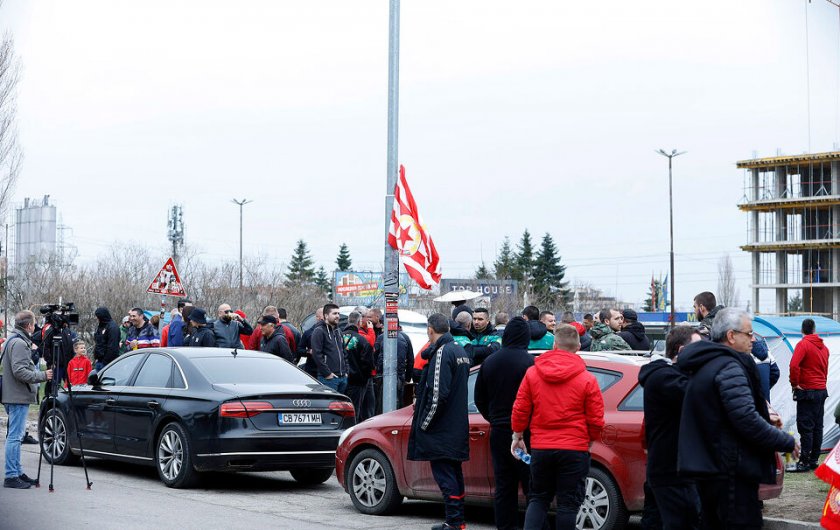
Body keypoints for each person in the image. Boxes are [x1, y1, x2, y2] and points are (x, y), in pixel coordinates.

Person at [678, 307, 798, 529]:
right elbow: (745, 419)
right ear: (731, 336)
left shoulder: (707, 362)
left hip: (710, 470)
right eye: (749, 333)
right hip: (730, 473)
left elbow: (724, 413)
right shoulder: (729, 365)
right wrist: (786, 441)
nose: (753, 338)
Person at [511, 324, 605, 530]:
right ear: (578, 346)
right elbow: (596, 419)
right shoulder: (587, 379)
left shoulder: (532, 374)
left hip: (542, 448)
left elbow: (520, 408)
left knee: (538, 498)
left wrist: (517, 435)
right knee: (568, 505)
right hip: (575, 448)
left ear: (554, 345)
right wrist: (588, 441)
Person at [407, 313, 471, 530]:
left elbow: (438, 395)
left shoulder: (443, 353)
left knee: (445, 476)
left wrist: (424, 423)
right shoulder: (458, 350)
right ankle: (457, 521)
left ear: (430, 330)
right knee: (454, 473)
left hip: (442, 429)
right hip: (455, 426)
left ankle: (454, 522)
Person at [638, 326, 702, 530]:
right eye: (699, 348)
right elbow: (697, 396)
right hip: (669, 470)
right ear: (683, 351)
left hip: (677, 468)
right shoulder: (664, 377)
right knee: (683, 522)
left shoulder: (674, 375)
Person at [474, 317, 534, 530]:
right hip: (525, 434)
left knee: (504, 485)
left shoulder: (489, 361)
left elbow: (478, 397)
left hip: (499, 432)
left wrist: (494, 418)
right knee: (531, 486)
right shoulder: (530, 363)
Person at [1, 310, 54, 489]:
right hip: (17, 395)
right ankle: (11, 475)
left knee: (15, 436)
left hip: (15, 394)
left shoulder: (14, 339)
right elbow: (19, 371)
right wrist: (42, 375)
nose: (34, 327)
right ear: (29, 325)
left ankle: (16, 472)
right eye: (33, 324)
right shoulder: (19, 343)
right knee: (15, 437)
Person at [789, 317, 830, 472]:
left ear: (802, 330)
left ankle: (804, 462)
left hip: (807, 391)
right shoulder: (824, 348)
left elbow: (794, 365)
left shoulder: (803, 344)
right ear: (814, 330)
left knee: (805, 426)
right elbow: (825, 369)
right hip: (821, 390)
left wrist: (795, 383)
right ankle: (813, 459)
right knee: (817, 426)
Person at [373, 320, 415, 411]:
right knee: (398, 401)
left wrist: (377, 372)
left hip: (383, 375)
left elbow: (374, 357)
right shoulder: (405, 337)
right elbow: (411, 360)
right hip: (400, 376)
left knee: (381, 402)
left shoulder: (381, 337)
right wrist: (407, 378)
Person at [343, 311, 375, 421]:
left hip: (342, 378)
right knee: (355, 410)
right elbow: (368, 363)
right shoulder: (363, 340)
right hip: (358, 381)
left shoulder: (338, 337)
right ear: (359, 322)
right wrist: (365, 379)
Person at [311, 303, 348, 393]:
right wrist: (327, 373)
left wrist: (346, 371)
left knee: (340, 406)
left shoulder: (338, 331)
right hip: (328, 378)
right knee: (330, 405)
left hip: (342, 377)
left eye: (338, 313)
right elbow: (316, 354)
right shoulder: (319, 331)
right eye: (334, 313)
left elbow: (344, 352)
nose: (338, 316)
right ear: (326, 316)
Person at [750, 335, 780, 403]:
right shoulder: (767, 352)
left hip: (747, 404)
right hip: (764, 403)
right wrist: (764, 387)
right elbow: (775, 373)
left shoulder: (740, 353)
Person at [93, 306, 120, 371]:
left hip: (107, 363)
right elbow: (98, 342)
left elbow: (112, 347)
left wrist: (105, 361)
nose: (97, 319)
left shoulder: (112, 327)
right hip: (99, 361)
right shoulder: (101, 326)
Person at [299, 307, 323, 375]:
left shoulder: (332, 332)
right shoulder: (308, 333)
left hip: (329, 370)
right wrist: (309, 351)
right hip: (312, 369)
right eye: (322, 317)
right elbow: (299, 350)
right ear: (317, 318)